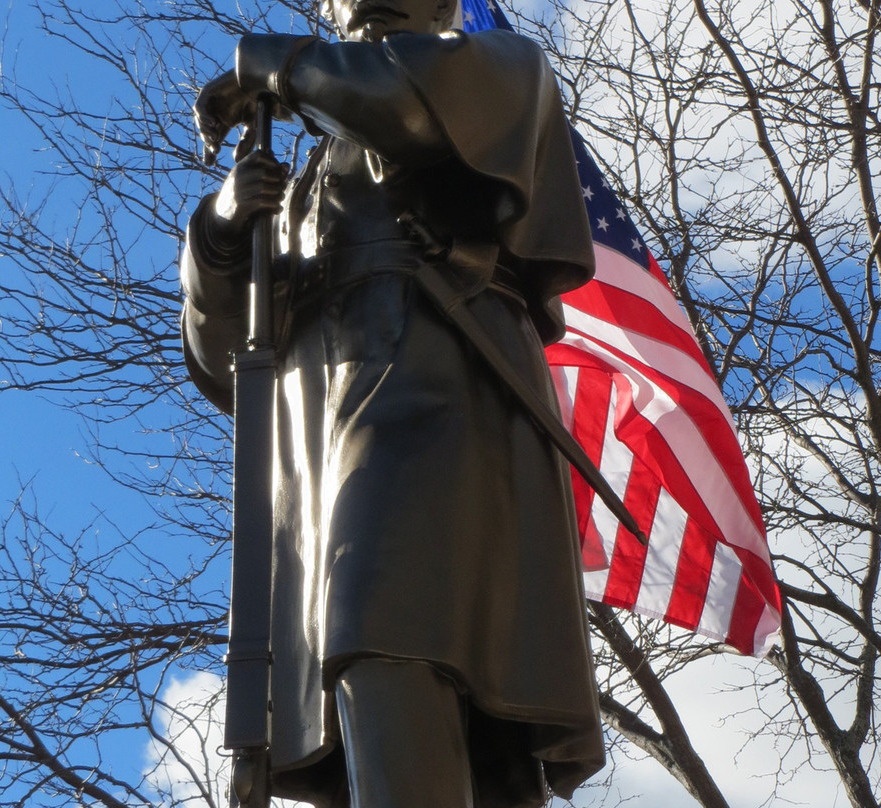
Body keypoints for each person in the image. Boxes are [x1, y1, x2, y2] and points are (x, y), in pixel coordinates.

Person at [180, 0, 604, 805]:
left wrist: (265, 65)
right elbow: (228, 356)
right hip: (324, 453)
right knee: (399, 693)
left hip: (444, 411)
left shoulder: (496, 71)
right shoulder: (302, 180)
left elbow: (406, 107)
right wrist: (229, 225)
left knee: (380, 631)